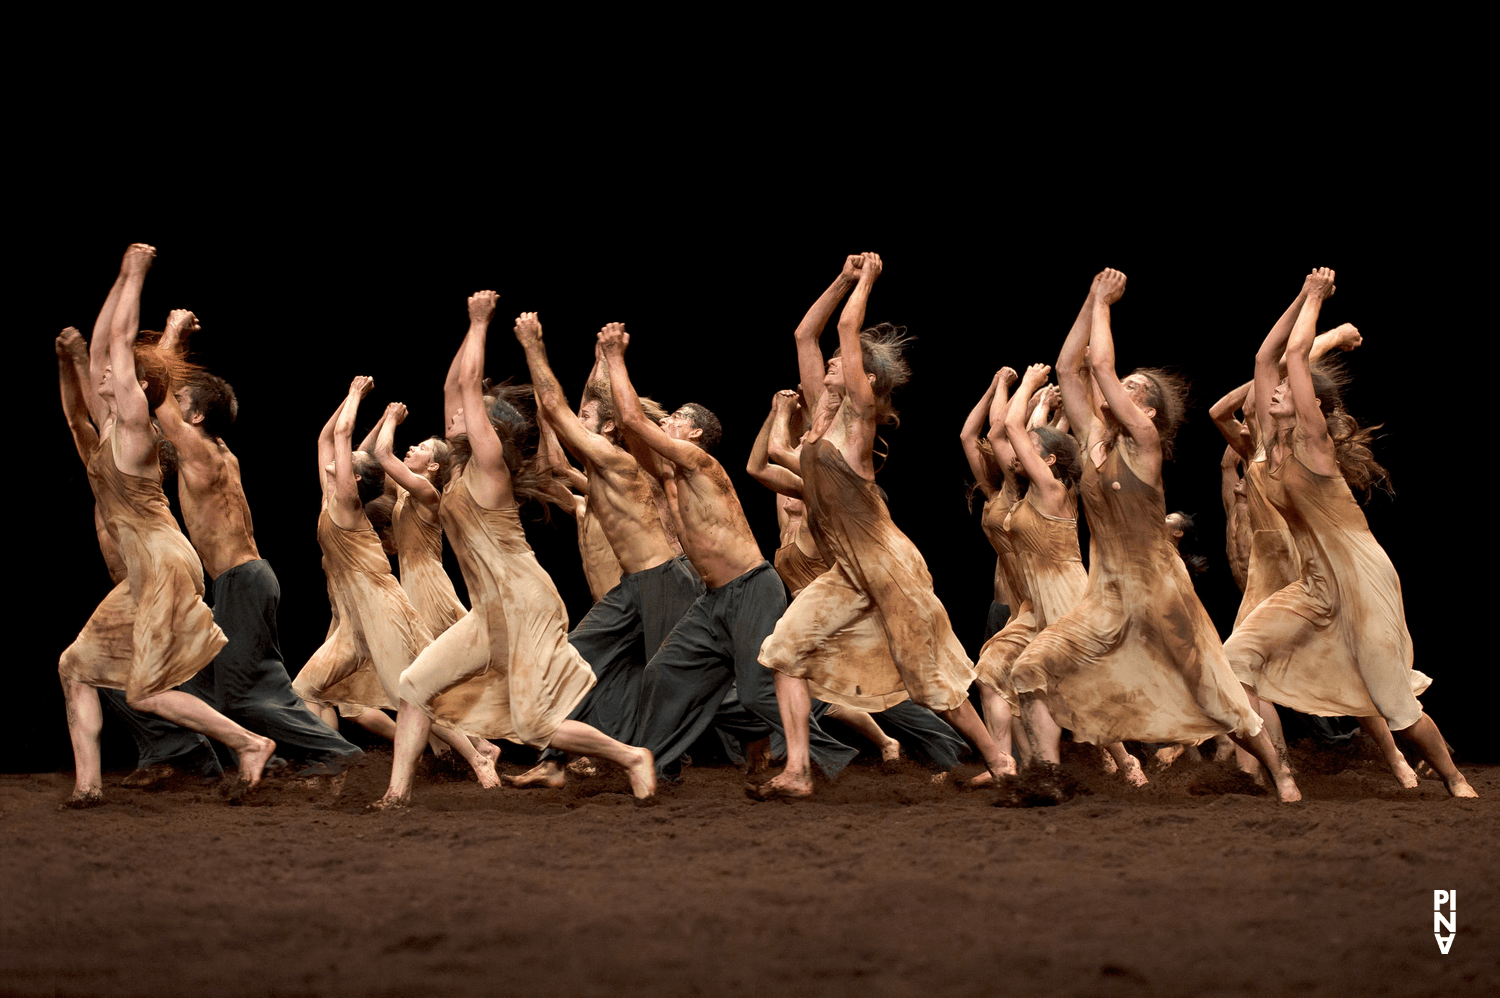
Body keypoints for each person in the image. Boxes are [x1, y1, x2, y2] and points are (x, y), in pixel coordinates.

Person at [1005, 268, 1300, 801]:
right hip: (1107, 598)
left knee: (1215, 696)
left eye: (1134, 388)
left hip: (1162, 594)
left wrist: (1105, 306)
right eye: (1125, 383)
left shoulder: (1143, 440)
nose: (1120, 389)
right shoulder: (1095, 438)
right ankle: (1046, 776)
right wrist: (1091, 298)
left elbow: (1098, 363)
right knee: (1031, 667)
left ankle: (1278, 772)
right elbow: (1072, 367)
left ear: (1148, 411)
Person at [758, 253, 1016, 799]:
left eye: (840, 363)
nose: (829, 364)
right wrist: (842, 278)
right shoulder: (818, 418)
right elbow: (807, 332)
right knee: (783, 652)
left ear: (864, 381)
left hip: (890, 565)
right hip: (849, 571)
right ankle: (799, 771)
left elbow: (848, 327)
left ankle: (1000, 761)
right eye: (829, 363)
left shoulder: (858, 422)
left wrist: (869, 279)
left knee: (929, 679)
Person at [392, 292, 656, 804]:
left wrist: (479, 322)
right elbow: (454, 385)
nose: (453, 417)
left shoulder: (490, 469)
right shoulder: (459, 472)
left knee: (536, 724)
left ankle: (630, 756)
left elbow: (468, 383)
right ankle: (396, 795)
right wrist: (470, 334)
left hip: (525, 602)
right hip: (490, 611)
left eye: (469, 415)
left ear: (491, 430)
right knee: (414, 685)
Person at [1223, 268, 1474, 797]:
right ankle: (1281, 772)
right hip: (1314, 584)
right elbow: (1266, 360)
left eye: (1289, 391)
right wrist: (1298, 294)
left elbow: (1292, 359)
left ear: (1312, 405)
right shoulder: (1271, 443)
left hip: (1362, 580)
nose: (1274, 391)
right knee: (1231, 664)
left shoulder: (1315, 444)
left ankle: (1453, 778)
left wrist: (1316, 297)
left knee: (1394, 705)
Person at [57, 243, 275, 806]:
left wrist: (134, 273)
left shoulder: (133, 426)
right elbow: (106, 343)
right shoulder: (109, 429)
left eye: (116, 372)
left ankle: (249, 744)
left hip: (163, 563)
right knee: (76, 667)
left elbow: (121, 341)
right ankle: (88, 787)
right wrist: (88, 338)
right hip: (145, 573)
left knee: (147, 690)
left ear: (135, 388)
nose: (105, 369)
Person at [599, 321, 858, 784]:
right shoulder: (667, 475)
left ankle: (833, 756)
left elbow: (635, 420)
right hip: (713, 599)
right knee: (663, 673)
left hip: (751, 588)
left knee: (759, 693)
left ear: (695, 435)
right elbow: (627, 428)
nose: (669, 420)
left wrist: (617, 357)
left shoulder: (699, 463)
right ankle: (657, 764)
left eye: (678, 416)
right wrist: (603, 367)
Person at [150, 309, 363, 777]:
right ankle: (291, 759)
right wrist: (180, 347)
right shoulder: (221, 453)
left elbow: (157, 391)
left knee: (242, 694)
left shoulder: (202, 453)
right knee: (215, 684)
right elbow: (170, 394)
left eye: (184, 400)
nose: (174, 402)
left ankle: (343, 758)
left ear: (198, 416)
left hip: (241, 582)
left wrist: (172, 333)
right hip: (245, 580)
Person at [506, 311, 703, 789]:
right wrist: (598, 362)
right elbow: (565, 434)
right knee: (575, 658)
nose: (580, 422)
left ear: (609, 429)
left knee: (673, 678)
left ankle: (675, 760)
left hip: (665, 578)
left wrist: (534, 347)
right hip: (634, 586)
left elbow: (563, 411)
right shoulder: (600, 466)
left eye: (588, 419)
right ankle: (556, 760)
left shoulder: (626, 459)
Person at [291, 374, 499, 804]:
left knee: (413, 693)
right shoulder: (332, 493)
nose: (341, 459)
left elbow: (354, 443)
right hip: (354, 620)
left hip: (383, 607)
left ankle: (476, 754)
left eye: (348, 463)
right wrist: (360, 414)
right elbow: (330, 439)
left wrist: (356, 396)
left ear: (354, 481)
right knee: (305, 690)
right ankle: (332, 760)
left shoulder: (349, 502)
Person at [749, 389, 968, 773]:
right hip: (817, 617)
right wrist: (775, 414)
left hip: (846, 613)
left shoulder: (818, 509)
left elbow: (791, 458)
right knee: (810, 678)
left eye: (795, 486)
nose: (785, 494)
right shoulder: (788, 521)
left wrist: (790, 415)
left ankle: (944, 745)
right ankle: (803, 754)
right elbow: (759, 468)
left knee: (894, 688)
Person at [56, 325, 222, 785]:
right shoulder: (102, 466)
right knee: (92, 671)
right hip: (134, 586)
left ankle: (228, 748)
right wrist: (68, 363)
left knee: (148, 687)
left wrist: (166, 336)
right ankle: (153, 761)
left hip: (158, 575)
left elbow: (131, 396)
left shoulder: (133, 461)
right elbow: (79, 418)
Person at [982, 362, 1144, 785]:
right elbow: (1002, 433)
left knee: (1078, 684)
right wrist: (1013, 394)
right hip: (1035, 604)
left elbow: (1014, 427)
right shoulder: (1022, 490)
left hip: (1066, 596)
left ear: (1049, 460)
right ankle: (1007, 763)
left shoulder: (1054, 491)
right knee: (992, 669)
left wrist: (1031, 386)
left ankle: (1126, 761)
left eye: (1031, 450)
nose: (1017, 456)